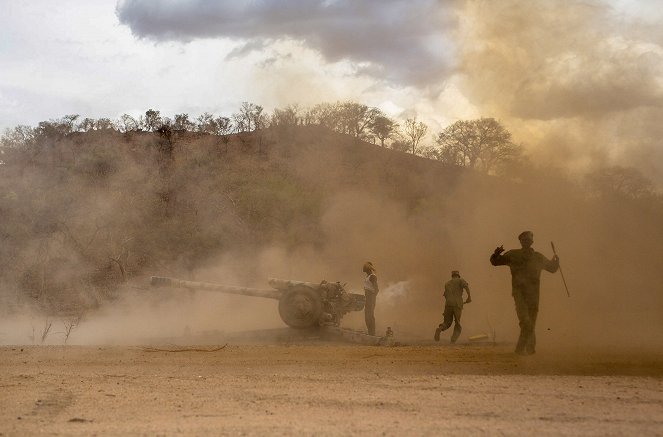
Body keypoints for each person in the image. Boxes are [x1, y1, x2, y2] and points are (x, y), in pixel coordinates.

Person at [490, 231, 559, 355]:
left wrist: (556, 261)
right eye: (524, 240)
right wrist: (496, 254)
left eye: (528, 240)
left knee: (530, 323)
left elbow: (552, 269)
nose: (526, 242)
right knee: (526, 322)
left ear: (532, 242)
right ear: (521, 242)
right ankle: (522, 349)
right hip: (519, 294)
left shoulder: (538, 257)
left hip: (534, 296)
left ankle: (528, 350)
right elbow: (495, 262)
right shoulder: (513, 255)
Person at [434, 270, 472, 343]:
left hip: (448, 304)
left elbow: (445, 295)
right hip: (457, 304)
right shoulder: (461, 280)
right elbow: (466, 287)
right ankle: (453, 340)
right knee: (457, 323)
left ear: (452, 276)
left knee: (447, 323)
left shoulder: (447, 283)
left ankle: (440, 328)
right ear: (458, 275)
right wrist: (469, 297)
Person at [362, 261, 379, 336]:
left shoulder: (372, 276)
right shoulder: (368, 276)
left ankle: (372, 334)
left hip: (370, 297)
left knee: (370, 315)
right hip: (368, 296)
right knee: (367, 315)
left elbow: (376, 289)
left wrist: (372, 298)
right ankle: (370, 333)